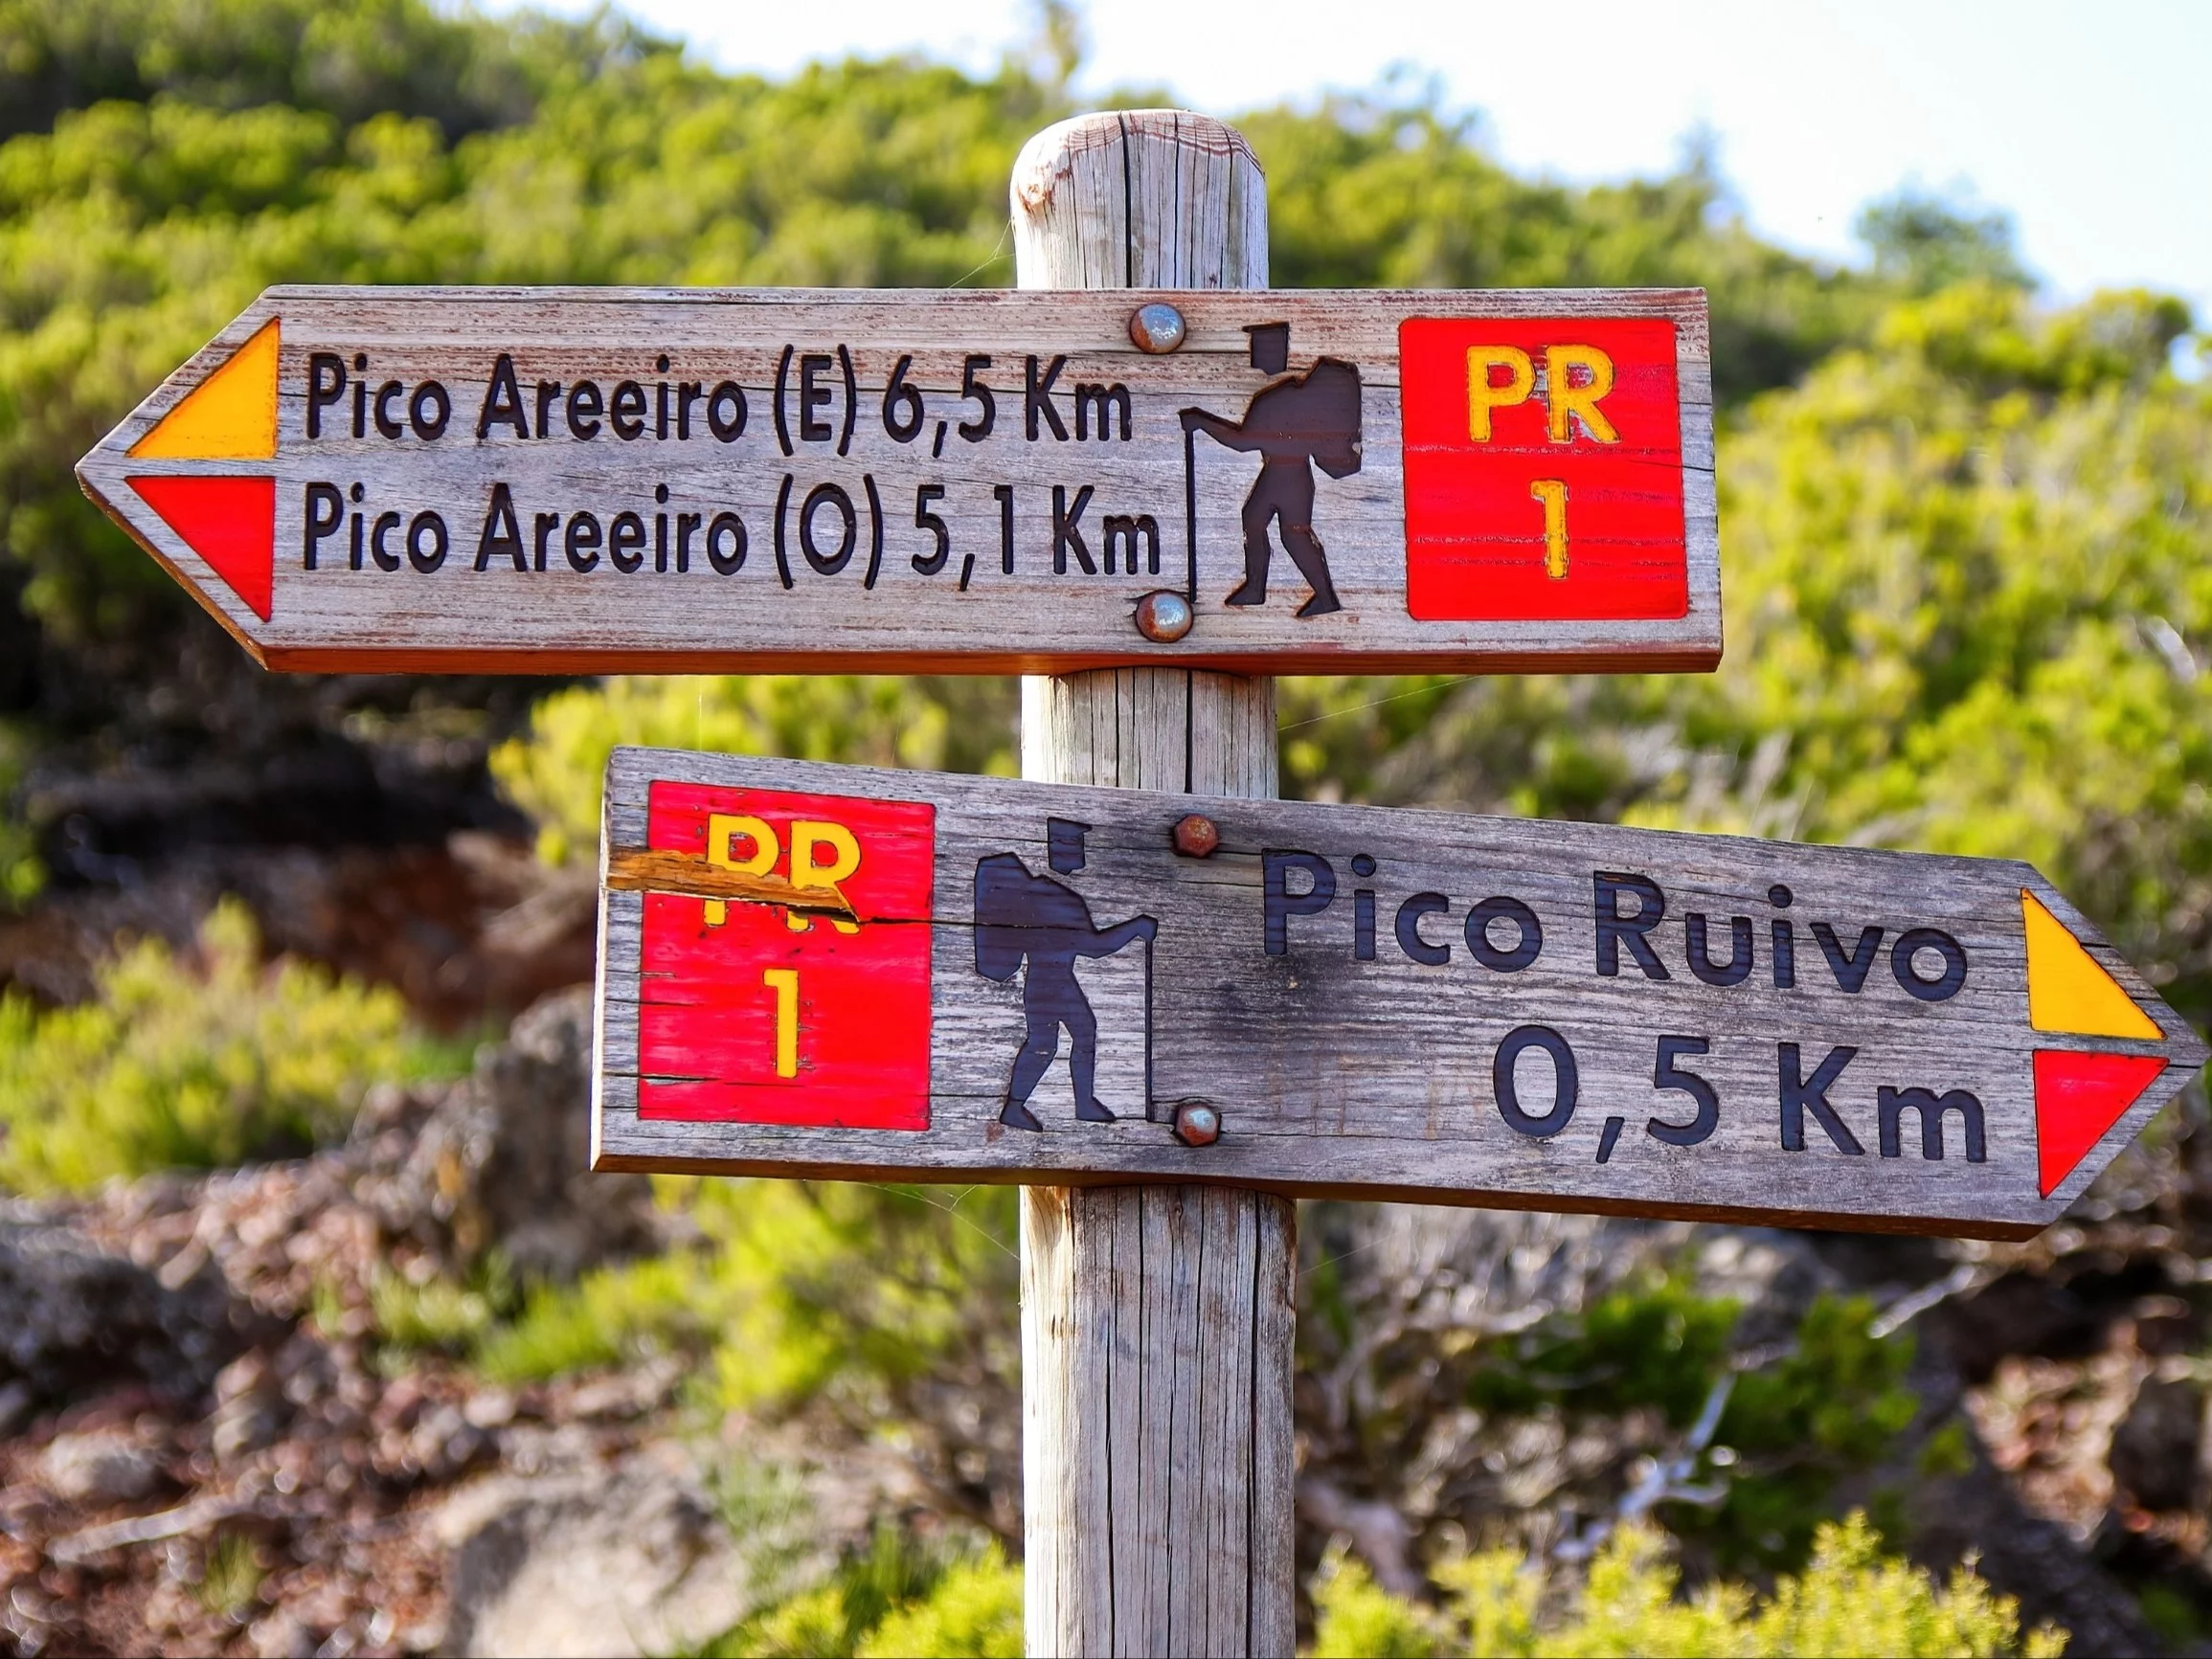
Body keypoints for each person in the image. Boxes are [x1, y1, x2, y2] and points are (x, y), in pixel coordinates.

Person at [973, 853, 1156, 1131]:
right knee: (1046, 1044)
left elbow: (1092, 946)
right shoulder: (1049, 901)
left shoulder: (1043, 899)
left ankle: (1076, 1103)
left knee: (1070, 1036)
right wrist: (1135, 927)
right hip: (1049, 984)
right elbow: (1096, 948)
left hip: (1052, 981)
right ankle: (1020, 1106)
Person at [1181, 355, 1364, 617]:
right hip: (1282, 474)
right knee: (1256, 521)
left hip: (1290, 477)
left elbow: (1242, 441)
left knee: (1293, 534)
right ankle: (1257, 588)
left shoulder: (1278, 401)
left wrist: (1202, 422)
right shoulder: (1283, 399)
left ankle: (1324, 597)